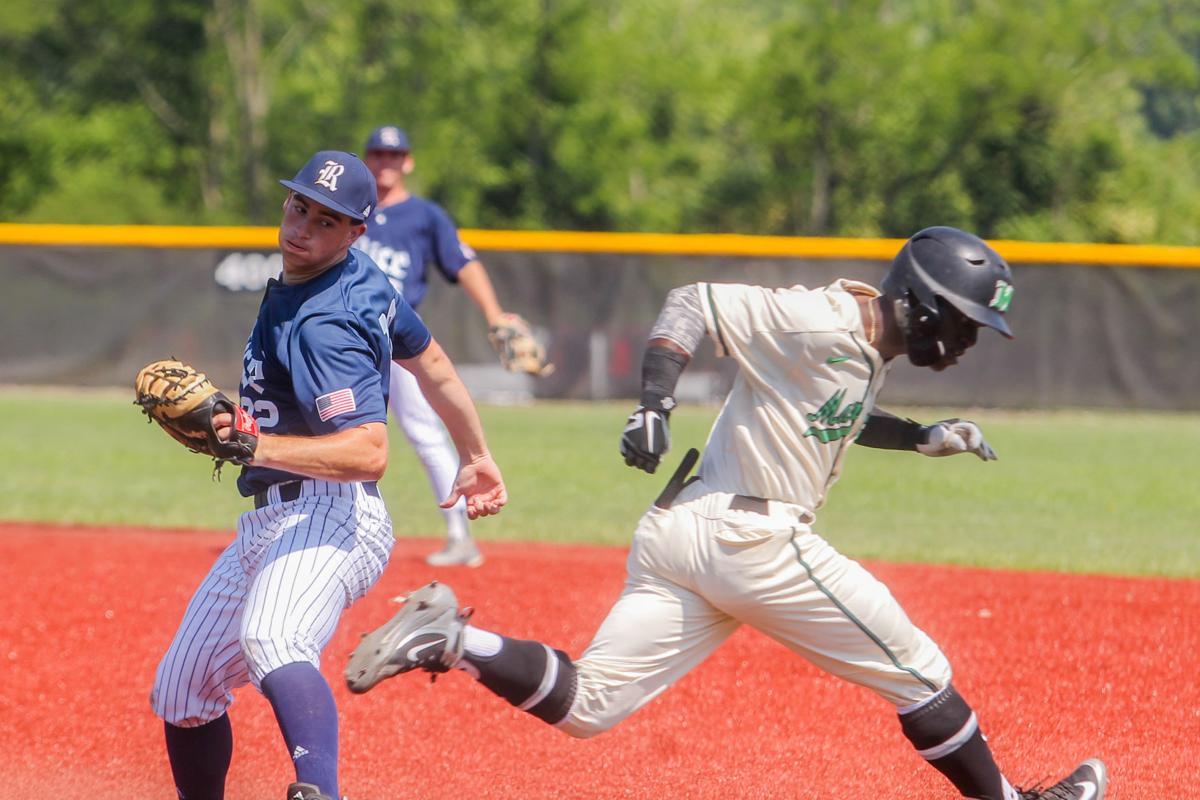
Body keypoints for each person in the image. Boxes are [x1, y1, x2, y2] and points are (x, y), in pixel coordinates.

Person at [343, 227, 1108, 800]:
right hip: (754, 539)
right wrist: (654, 405)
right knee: (922, 672)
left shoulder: (863, 346)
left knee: (590, 706)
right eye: (965, 321)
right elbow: (691, 302)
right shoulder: (818, 320)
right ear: (921, 303)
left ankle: (453, 637)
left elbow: (827, 413)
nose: (970, 339)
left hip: (681, 533)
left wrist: (918, 438)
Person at [149, 150, 507, 800]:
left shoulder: (325, 324)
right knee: (183, 691)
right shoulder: (360, 278)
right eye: (299, 206)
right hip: (269, 518)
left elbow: (368, 451)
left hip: (331, 512)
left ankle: (322, 792)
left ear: (355, 233)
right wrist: (476, 454)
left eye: (327, 220)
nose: (303, 226)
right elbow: (436, 367)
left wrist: (253, 443)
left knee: (274, 636)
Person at [356, 124, 527, 568]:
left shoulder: (425, 216)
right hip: (346, 339)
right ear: (366, 159)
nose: (386, 162)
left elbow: (464, 263)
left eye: (394, 155)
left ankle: (460, 537)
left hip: (395, 336)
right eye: (377, 154)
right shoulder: (349, 207)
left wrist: (494, 315)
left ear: (407, 161)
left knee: (425, 432)